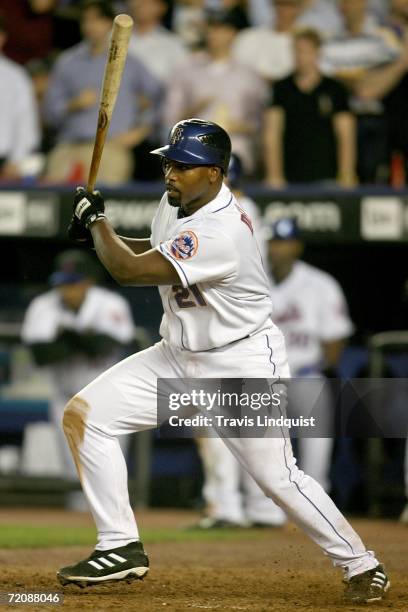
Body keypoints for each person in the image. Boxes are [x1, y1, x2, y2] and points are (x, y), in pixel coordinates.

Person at [57, 118, 389, 605]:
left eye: (185, 166)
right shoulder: (176, 205)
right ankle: (119, 544)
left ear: (215, 174)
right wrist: (101, 236)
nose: (172, 173)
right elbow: (150, 255)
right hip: (176, 356)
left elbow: (131, 271)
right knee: (85, 417)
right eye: (170, 162)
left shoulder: (222, 230)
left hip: (239, 363)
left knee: (279, 480)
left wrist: (96, 224)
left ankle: (362, 564)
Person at [195, 216, 354, 527]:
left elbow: (335, 338)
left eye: (284, 242)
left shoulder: (320, 284)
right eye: (273, 243)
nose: (278, 249)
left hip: (305, 375)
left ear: (297, 246)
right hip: (262, 379)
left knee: (316, 446)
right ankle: (264, 513)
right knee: (255, 443)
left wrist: (320, 369)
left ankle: (318, 514)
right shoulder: (251, 278)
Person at [21, 250, 135, 508]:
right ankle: (81, 528)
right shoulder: (43, 305)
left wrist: (67, 338)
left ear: (88, 282)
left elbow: (104, 345)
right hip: (66, 397)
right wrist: (82, 339)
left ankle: (119, 527)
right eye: (62, 283)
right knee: (73, 470)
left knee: (111, 468)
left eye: (73, 283)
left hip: (107, 399)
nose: (66, 290)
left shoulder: (110, 303)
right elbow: (41, 354)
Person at [43, 0, 162, 185]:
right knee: (53, 203)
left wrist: (141, 130)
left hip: (111, 148)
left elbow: (159, 98)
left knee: (101, 207)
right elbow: (50, 112)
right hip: (68, 146)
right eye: (86, 20)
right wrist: (73, 104)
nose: (90, 26)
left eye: (97, 20)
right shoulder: (67, 62)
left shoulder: (129, 62)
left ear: (109, 24)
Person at [164, 8, 268, 173]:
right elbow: (169, 119)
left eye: (222, 29)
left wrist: (242, 126)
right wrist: (192, 112)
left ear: (233, 33)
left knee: (230, 160)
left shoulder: (249, 74)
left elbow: (260, 123)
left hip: (235, 147)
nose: (216, 34)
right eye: (212, 28)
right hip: (192, 147)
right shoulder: (186, 68)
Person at [264, 28, 357, 187]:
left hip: (327, 176)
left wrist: (346, 174)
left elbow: (346, 134)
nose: (300, 57)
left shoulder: (334, 89)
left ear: (317, 53)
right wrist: (274, 175)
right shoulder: (282, 89)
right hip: (290, 176)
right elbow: (272, 134)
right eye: (297, 51)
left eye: (305, 51)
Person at [0, 15, 40, 181]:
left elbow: (26, 123)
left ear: (2, 37)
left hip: (5, 164)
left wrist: (16, 161)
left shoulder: (16, 76)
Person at [127, 0, 188, 85]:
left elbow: (182, 82)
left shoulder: (174, 45)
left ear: (162, 8)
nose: (140, 4)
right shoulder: (111, 38)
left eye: (149, 2)